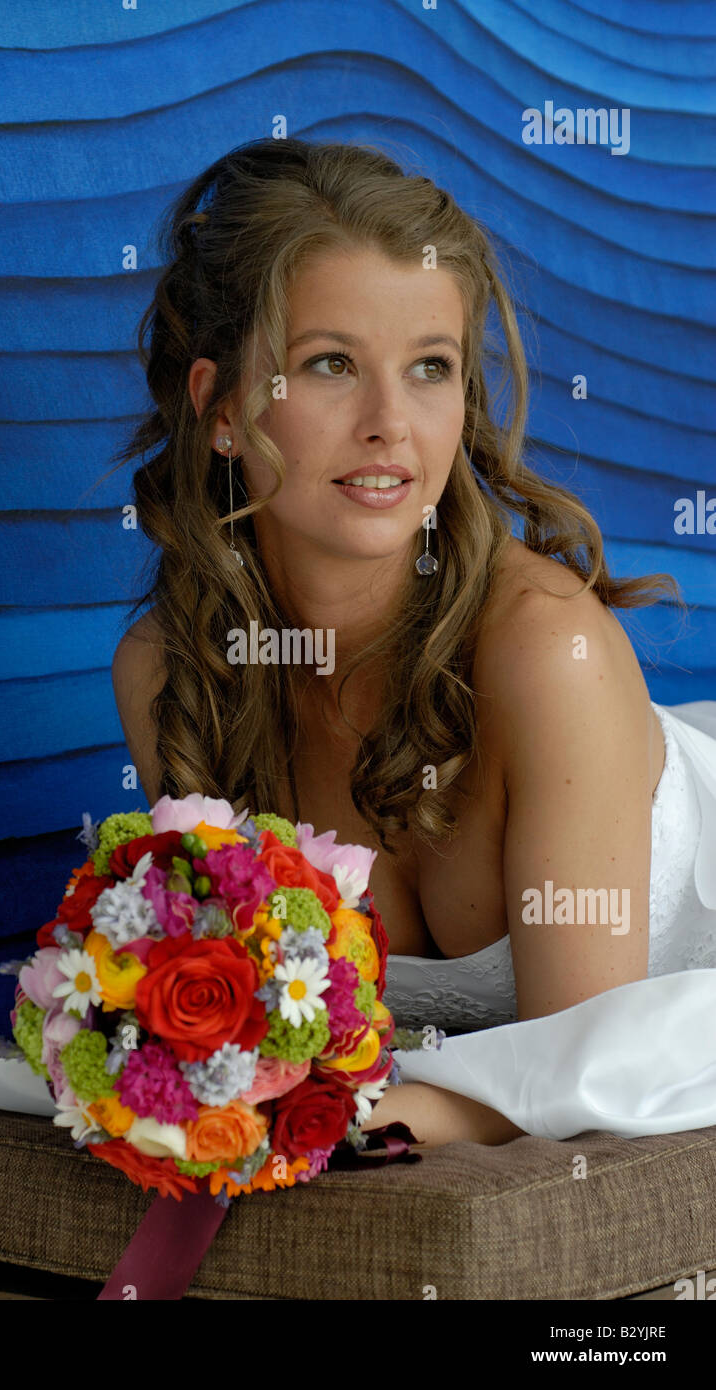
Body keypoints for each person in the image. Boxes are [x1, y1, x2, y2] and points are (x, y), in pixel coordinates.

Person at [109, 136, 716, 1145]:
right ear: (220, 409)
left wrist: (362, 1113)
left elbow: (584, 1071)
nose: (392, 422)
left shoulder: (544, 651)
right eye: (331, 364)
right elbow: (244, 1031)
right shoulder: (174, 677)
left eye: (430, 367)